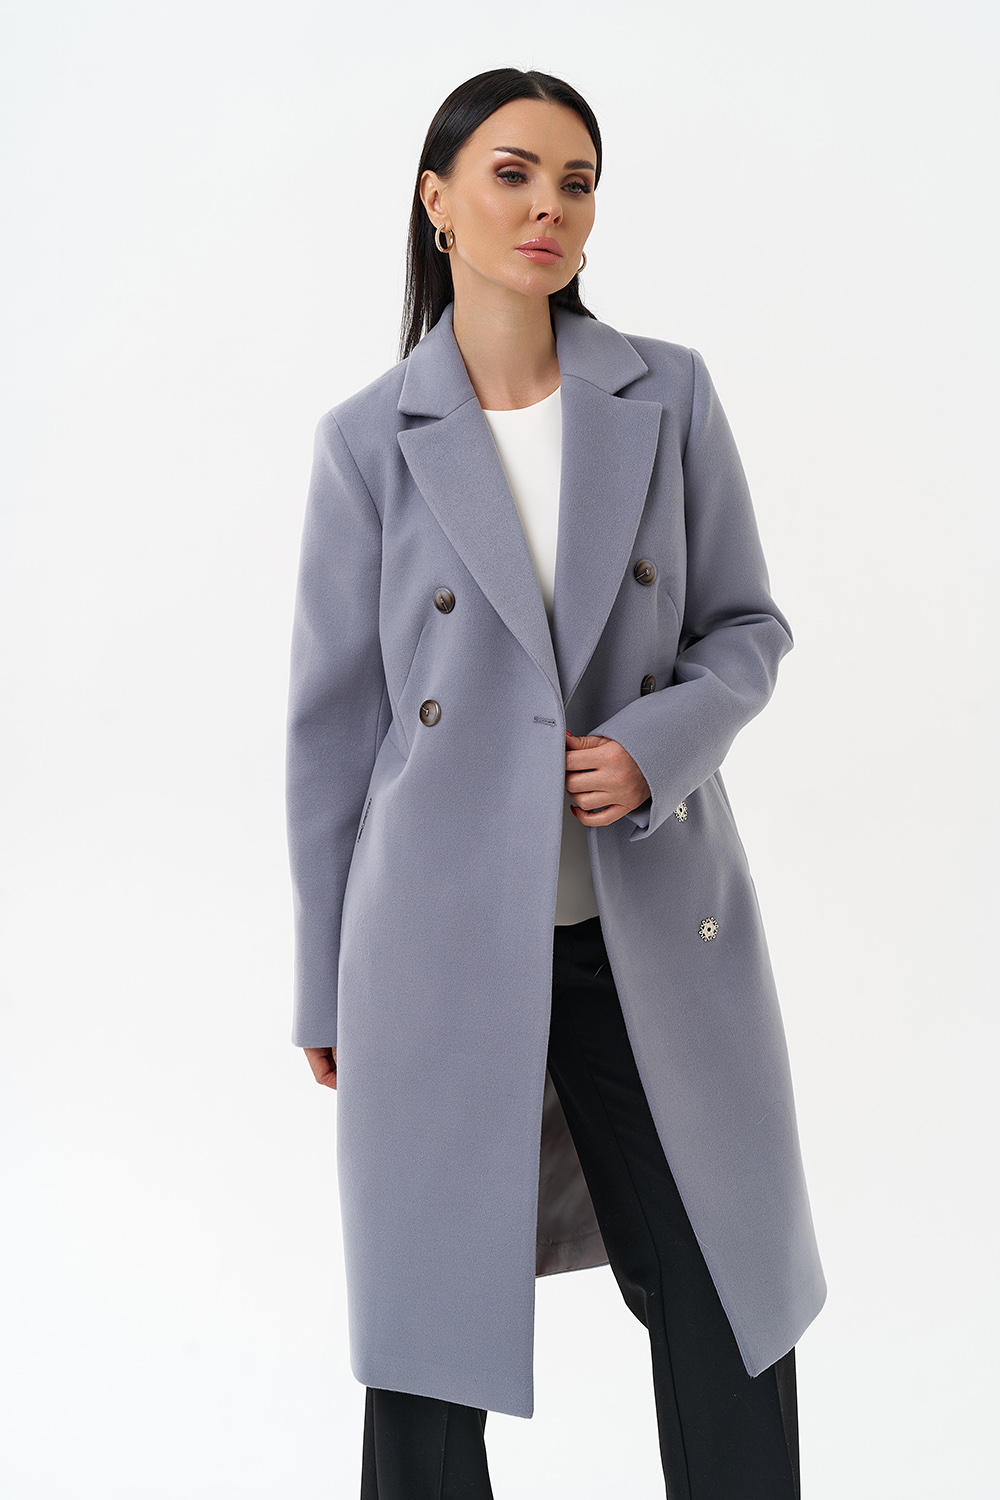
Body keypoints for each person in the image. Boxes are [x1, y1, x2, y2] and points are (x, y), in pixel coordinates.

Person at [285, 67, 826, 1499]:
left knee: (725, 1295)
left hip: (643, 931)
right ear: (438, 200)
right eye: (513, 174)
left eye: (576, 182)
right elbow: (332, 736)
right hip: (433, 944)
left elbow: (748, 628)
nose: (549, 208)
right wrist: (322, 986)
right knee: (427, 1340)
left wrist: (659, 743)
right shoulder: (368, 440)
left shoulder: (664, 392)